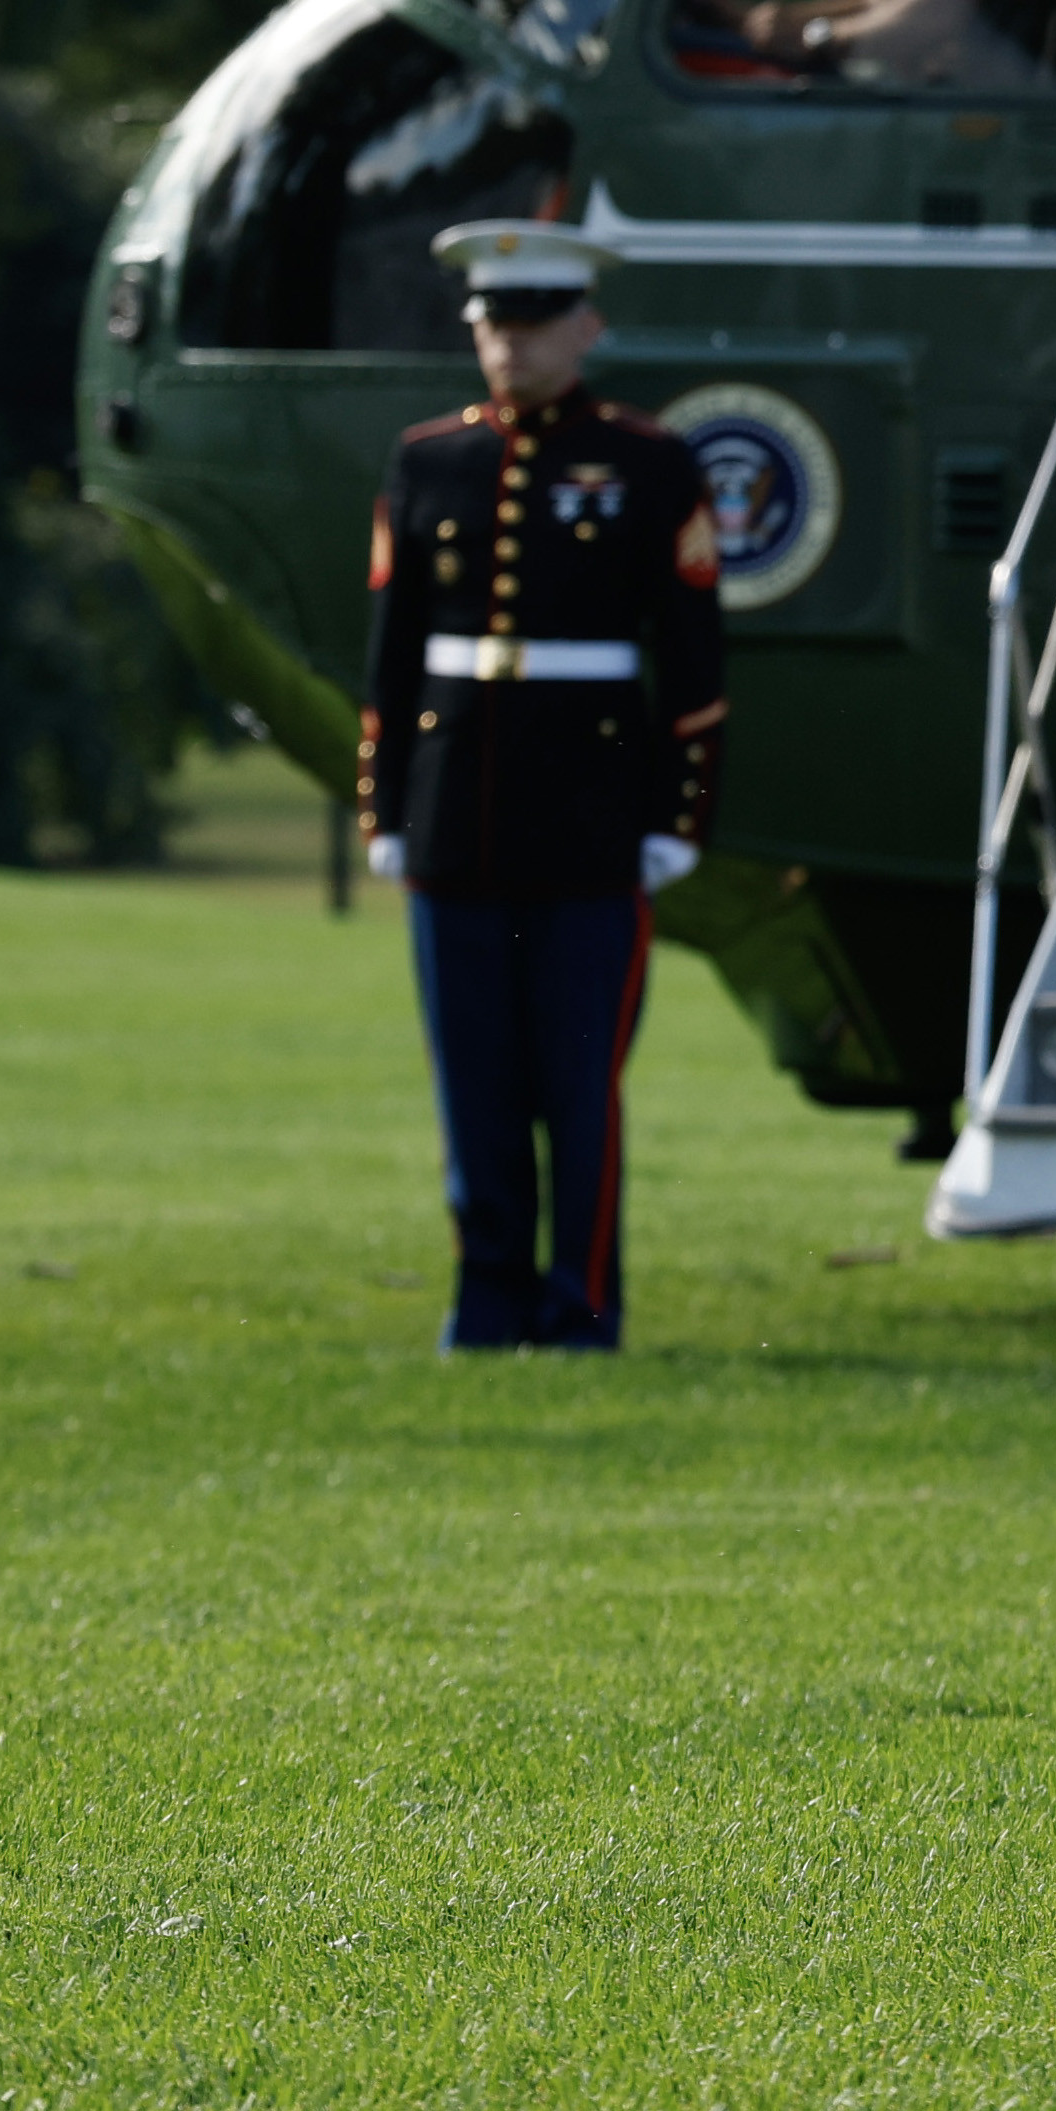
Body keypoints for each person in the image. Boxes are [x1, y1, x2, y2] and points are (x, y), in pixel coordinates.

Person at [358, 221, 732, 1354]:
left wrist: (677, 816)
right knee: (472, 1080)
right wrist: (384, 803)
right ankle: (486, 1301)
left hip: (592, 814)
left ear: (587, 326)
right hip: (456, 807)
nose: (510, 347)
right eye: (492, 324)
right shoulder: (429, 461)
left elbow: (695, 659)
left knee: (576, 1083)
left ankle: (579, 1305)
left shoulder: (649, 463)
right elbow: (392, 649)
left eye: (533, 324)